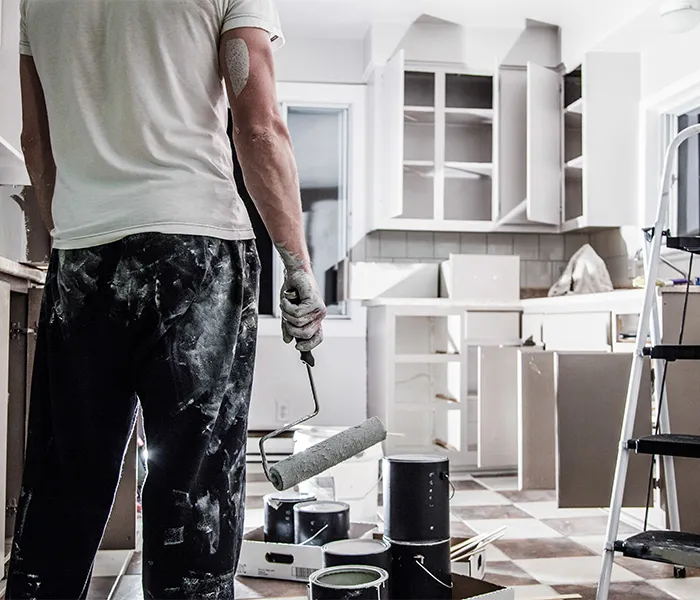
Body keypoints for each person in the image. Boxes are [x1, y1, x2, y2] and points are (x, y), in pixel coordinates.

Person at [9, 0, 326, 598]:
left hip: (83, 256)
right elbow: (258, 128)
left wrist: (73, 237)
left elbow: (35, 141)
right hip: (196, 253)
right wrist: (299, 265)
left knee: (62, 484)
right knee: (193, 490)